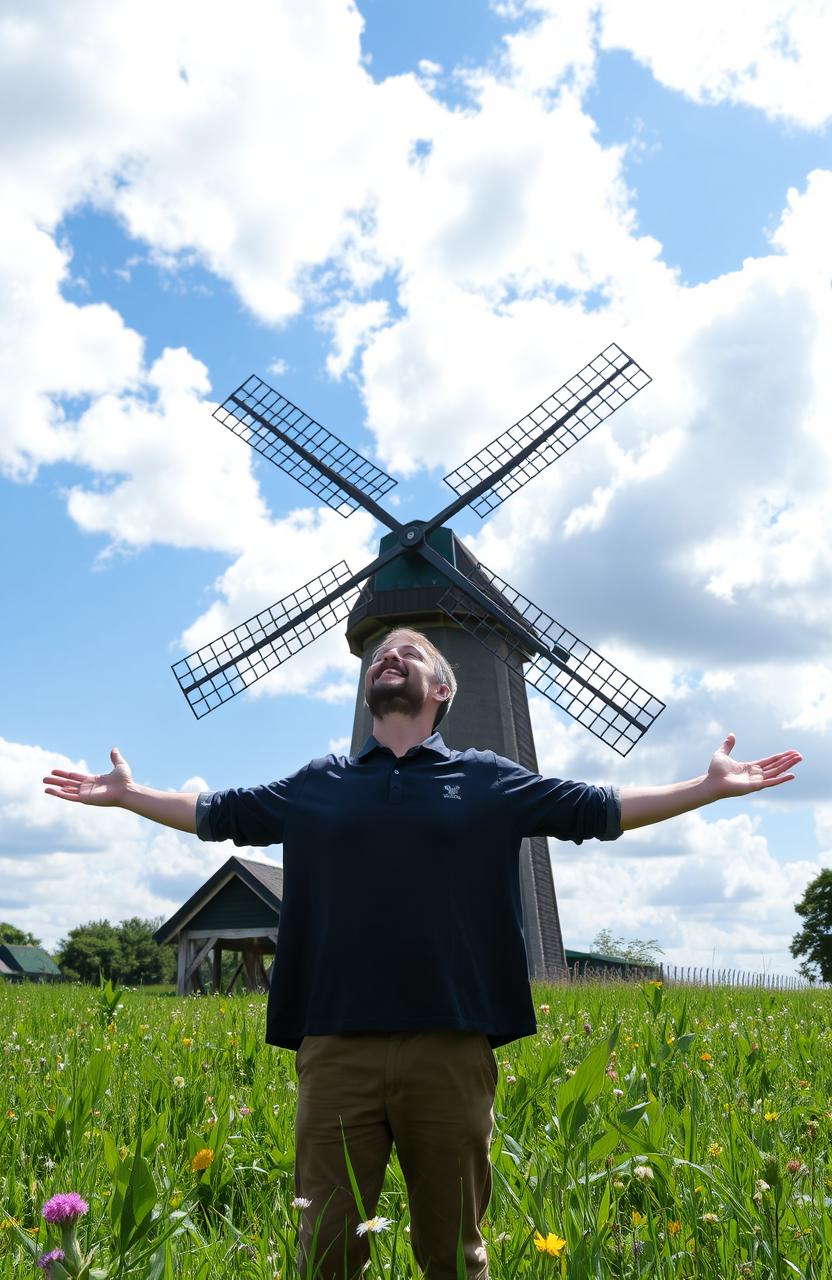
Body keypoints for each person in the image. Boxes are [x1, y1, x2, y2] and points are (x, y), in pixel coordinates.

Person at [43, 627, 802, 1280]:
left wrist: (703, 789)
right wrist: (130, 795)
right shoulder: (318, 783)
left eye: (409, 652)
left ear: (444, 689)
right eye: (378, 654)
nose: (389, 656)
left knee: (454, 1254)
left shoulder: (486, 780)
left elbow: (598, 809)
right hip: (336, 1045)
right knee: (326, 1250)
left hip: (451, 1044)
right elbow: (218, 813)